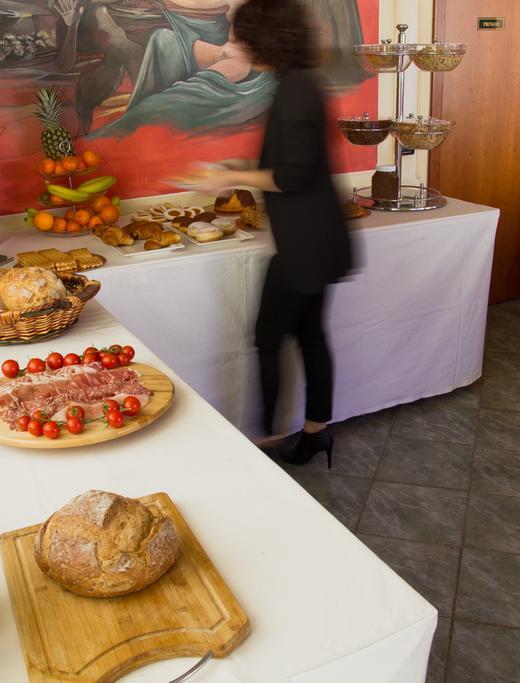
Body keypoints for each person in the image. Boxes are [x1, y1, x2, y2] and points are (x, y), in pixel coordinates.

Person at [182, 0, 352, 467]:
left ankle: (268, 439)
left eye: (242, 35)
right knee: (311, 335)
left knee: (269, 336)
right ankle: (315, 433)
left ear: (267, 37)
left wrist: (230, 179)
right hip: (319, 238)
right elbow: (295, 163)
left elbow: (294, 175)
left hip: (306, 244)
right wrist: (239, 169)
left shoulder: (295, 88)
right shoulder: (298, 81)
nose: (235, 44)